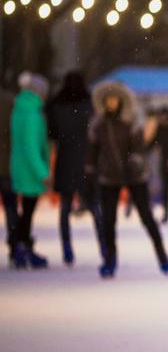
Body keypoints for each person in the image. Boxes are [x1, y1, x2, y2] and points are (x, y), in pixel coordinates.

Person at [87, 81, 168, 279]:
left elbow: (139, 147)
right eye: (108, 99)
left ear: (121, 101)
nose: (111, 103)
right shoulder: (98, 125)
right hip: (109, 176)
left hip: (134, 175)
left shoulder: (130, 122)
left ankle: (162, 256)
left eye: (114, 99)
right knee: (108, 220)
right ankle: (109, 260)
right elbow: (92, 151)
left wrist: (133, 161)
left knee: (147, 217)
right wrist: (90, 169)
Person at [47, 71, 104, 266]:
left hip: (65, 160)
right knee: (95, 207)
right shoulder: (90, 105)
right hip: (86, 162)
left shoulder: (55, 106)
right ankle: (104, 248)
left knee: (65, 208)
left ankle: (67, 250)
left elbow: (52, 134)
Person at [9, 73, 52, 269]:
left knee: (24, 211)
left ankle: (20, 247)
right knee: (27, 211)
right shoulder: (33, 114)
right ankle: (23, 248)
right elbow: (31, 146)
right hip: (30, 170)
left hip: (19, 166)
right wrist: (43, 172)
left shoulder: (19, 109)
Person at [0, 87, 19, 264]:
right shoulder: (10, 101)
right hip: (7, 164)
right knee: (11, 207)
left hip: (7, 163)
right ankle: (15, 247)